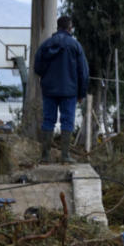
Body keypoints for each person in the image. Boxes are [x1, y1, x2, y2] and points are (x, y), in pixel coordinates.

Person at [33, 15, 89, 163]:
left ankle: (45, 156)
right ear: (70, 28)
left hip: (49, 90)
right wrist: (81, 93)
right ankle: (65, 156)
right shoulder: (75, 46)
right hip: (69, 92)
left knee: (48, 121)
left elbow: (37, 68)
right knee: (67, 122)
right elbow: (83, 72)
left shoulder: (46, 45)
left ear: (57, 27)